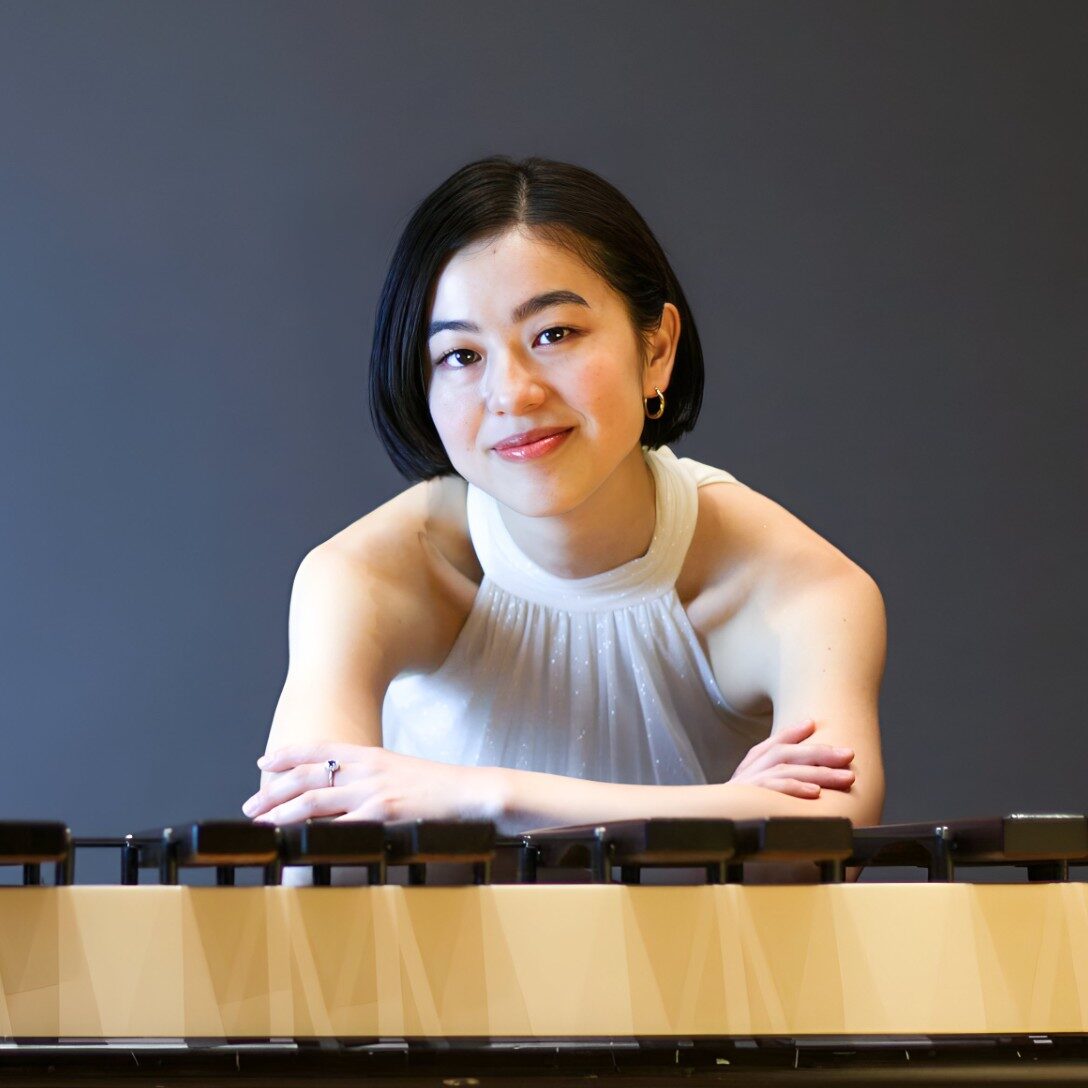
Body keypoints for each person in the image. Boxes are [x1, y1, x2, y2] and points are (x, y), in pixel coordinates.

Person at [241, 156, 886, 873]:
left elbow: (828, 833)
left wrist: (475, 798)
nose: (511, 393)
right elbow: (304, 847)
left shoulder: (793, 584)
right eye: (459, 355)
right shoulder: (368, 573)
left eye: (554, 334)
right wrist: (726, 807)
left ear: (657, 349)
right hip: (432, 983)